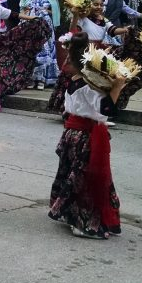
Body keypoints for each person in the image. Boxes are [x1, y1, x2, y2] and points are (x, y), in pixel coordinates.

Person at [48, 33, 126, 240]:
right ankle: (81, 221)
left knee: (71, 174)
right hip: (84, 136)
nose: (65, 63)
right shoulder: (90, 88)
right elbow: (106, 109)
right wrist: (117, 87)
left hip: (71, 134)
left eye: (67, 60)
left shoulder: (73, 83)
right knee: (85, 178)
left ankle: (66, 211)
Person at [19, 0, 60, 90]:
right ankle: (31, 79)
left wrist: (47, 12)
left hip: (45, 26)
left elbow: (56, 12)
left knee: (45, 51)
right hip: (30, 25)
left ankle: (43, 79)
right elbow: (22, 9)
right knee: (31, 50)